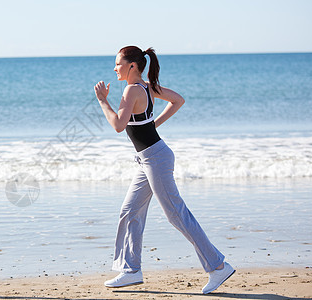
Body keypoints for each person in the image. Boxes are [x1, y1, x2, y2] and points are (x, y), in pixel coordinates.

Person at [94, 46, 235, 294]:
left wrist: (103, 101)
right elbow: (178, 100)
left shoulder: (131, 90)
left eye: (118, 64)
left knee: (176, 214)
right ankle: (130, 270)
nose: (114, 68)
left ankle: (218, 266)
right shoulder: (147, 87)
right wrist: (152, 124)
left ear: (132, 66)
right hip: (148, 159)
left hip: (155, 160)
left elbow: (118, 125)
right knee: (129, 211)